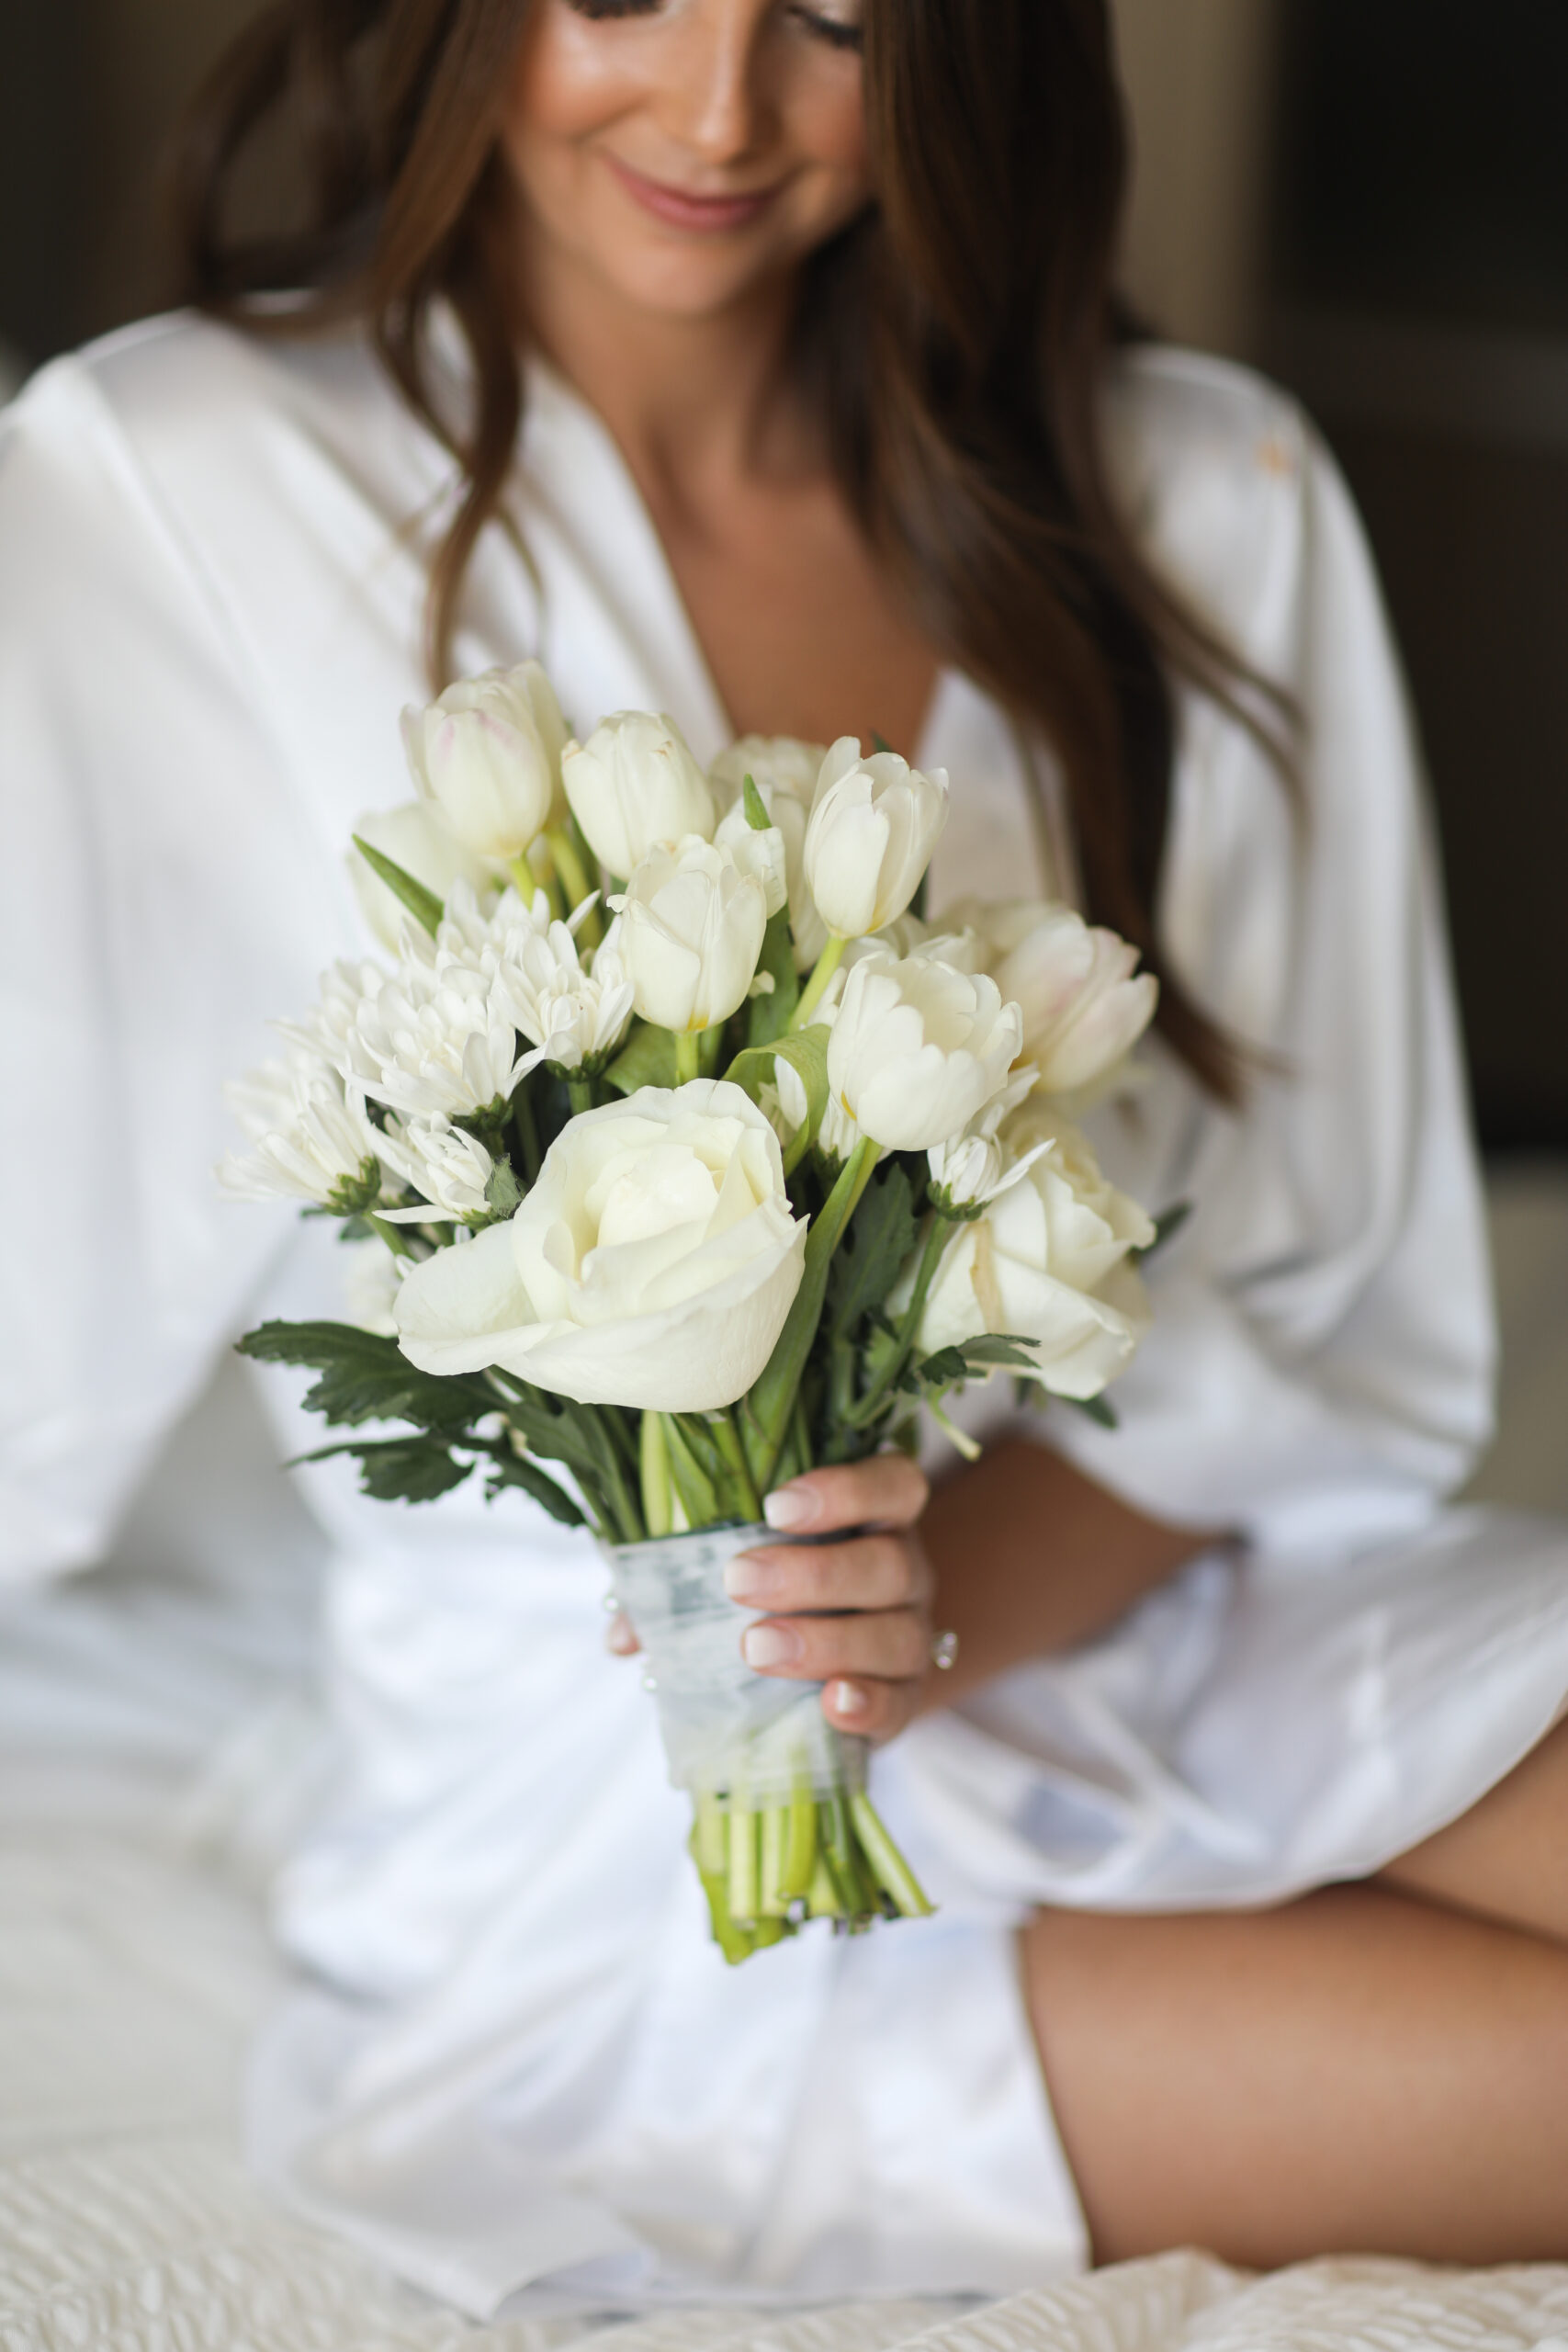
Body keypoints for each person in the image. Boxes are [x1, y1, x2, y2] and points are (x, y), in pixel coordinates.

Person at [2, 0, 1565, 2313]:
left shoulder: (1193, 489)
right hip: (640, 1843)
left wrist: (943, 1600)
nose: (719, 114)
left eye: (838, 19)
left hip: (1132, 1587)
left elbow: (1325, 1300)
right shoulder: (179, 484)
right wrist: (792, 1649)